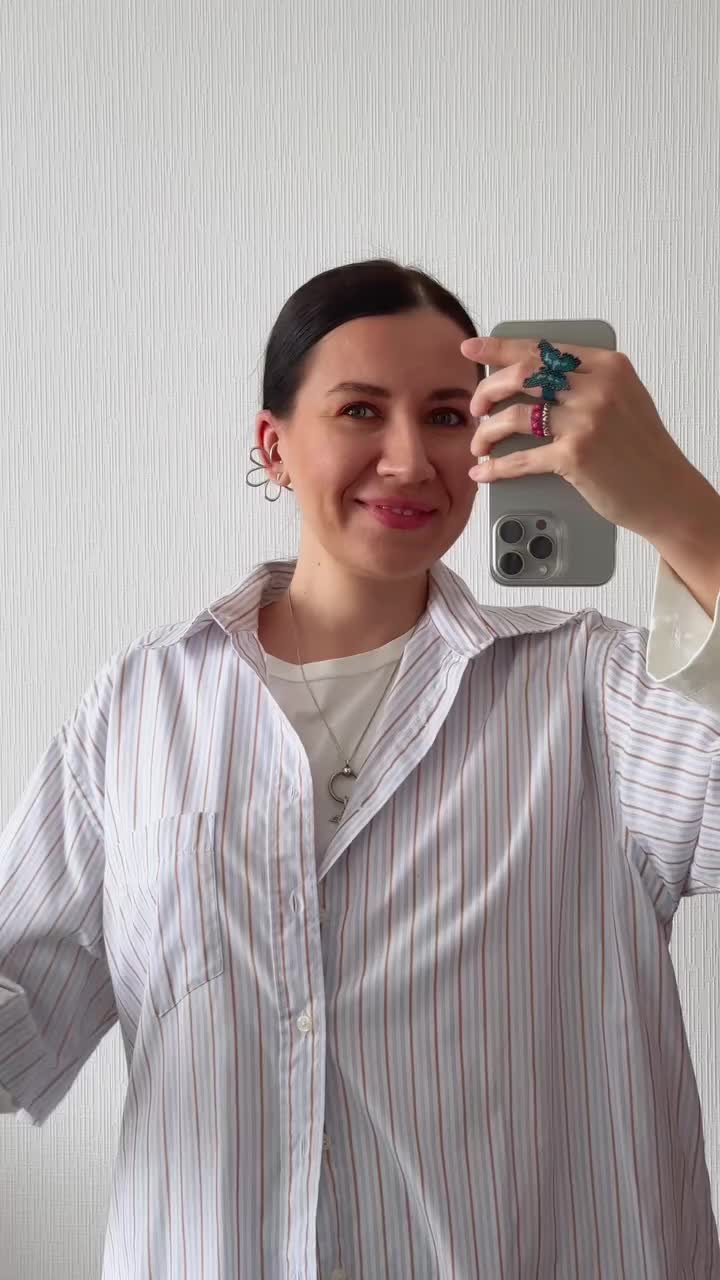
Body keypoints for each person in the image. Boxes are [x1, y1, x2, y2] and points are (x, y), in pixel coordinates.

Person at [1, 257, 719, 1279]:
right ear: (274, 444)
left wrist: (679, 505)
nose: (407, 458)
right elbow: (22, 1009)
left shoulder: (595, 688)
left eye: (442, 415)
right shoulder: (139, 707)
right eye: (358, 409)